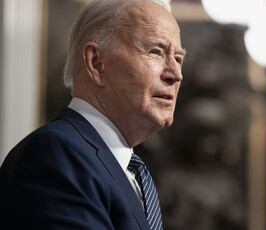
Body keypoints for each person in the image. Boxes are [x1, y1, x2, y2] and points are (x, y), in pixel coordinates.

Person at [0, 0, 186, 229]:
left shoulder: (127, 170)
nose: (176, 74)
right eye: (155, 52)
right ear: (96, 62)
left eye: (178, 58)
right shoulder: (58, 154)